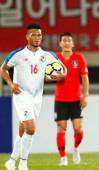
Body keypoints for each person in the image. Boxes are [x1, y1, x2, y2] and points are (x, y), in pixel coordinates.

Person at [1, 23, 65, 170]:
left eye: (40, 35)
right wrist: (11, 85)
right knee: (31, 128)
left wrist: (59, 76)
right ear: (27, 36)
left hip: (37, 97)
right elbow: (3, 69)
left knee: (23, 130)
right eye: (34, 35)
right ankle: (23, 163)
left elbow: (62, 71)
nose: (37, 38)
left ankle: (11, 161)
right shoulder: (18, 54)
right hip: (21, 95)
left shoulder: (47, 55)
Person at [54, 32, 89, 166]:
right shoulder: (55, 59)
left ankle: (75, 148)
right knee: (61, 129)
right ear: (60, 43)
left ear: (73, 44)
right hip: (60, 100)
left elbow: (85, 78)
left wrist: (85, 95)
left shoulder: (79, 58)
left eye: (69, 40)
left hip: (76, 100)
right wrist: (53, 77)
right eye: (64, 40)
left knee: (78, 129)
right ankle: (63, 157)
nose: (67, 42)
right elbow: (48, 75)